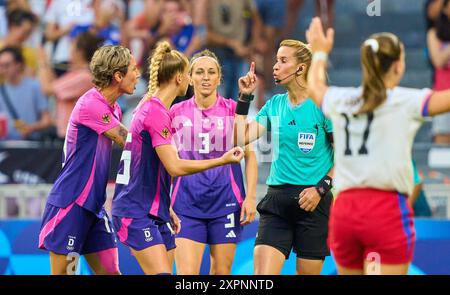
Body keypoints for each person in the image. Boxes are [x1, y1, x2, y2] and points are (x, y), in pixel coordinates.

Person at [305, 17, 450, 274]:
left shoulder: (340, 98)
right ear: (397, 66)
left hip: (345, 211)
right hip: (385, 210)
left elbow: (316, 87)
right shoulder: (407, 101)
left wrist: (318, 54)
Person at [111, 41, 245, 275]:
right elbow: (174, 167)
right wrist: (221, 160)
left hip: (155, 210)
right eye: (190, 73)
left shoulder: (151, 107)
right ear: (180, 78)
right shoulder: (158, 113)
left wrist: (166, 206)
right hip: (136, 209)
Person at [234, 39, 335, 275]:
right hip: (277, 199)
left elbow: (344, 156)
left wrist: (321, 189)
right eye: (276, 60)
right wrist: (244, 98)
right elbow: (239, 139)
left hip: (313, 200)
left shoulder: (323, 105)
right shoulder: (275, 105)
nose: (275, 66)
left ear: (300, 68)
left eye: (283, 60)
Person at [38, 45, 140, 275]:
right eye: (134, 69)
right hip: (72, 205)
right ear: (118, 76)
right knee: (67, 275)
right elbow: (129, 141)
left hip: (93, 207)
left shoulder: (113, 109)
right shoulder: (91, 103)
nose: (138, 74)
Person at [170, 49, 257, 275]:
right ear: (190, 78)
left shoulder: (232, 109)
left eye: (211, 72)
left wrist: (250, 197)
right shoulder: (176, 112)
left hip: (226, 203)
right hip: (186, 204)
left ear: (220, 78)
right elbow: (165, 161)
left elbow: (250, 155)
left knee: (221, 272)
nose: (205, 77)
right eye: (199, 72)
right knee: (186, 275)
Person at [38, 32, 104, 140]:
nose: (70, 50)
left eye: (72, 46)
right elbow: (54, 84)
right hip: (71, 135)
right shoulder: (79, 74)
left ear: (80, 52)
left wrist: (42, 62)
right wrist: (46, 63)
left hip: (76, 136)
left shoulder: (84, 76)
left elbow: (47, 89)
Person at [0, 47, 51, 140]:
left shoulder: (35, 86)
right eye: (0, 66)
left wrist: (31, 128)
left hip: (30, 146)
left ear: (18, 65)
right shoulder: (1, 90)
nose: (3, 70)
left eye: (6, 65)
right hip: (5, 145)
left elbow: (47, 120)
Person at [427, 0, 450, 144]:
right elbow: (438, 60)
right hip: (442, 96)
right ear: (445, 9)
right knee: (442, 147)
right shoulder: (434, 34)